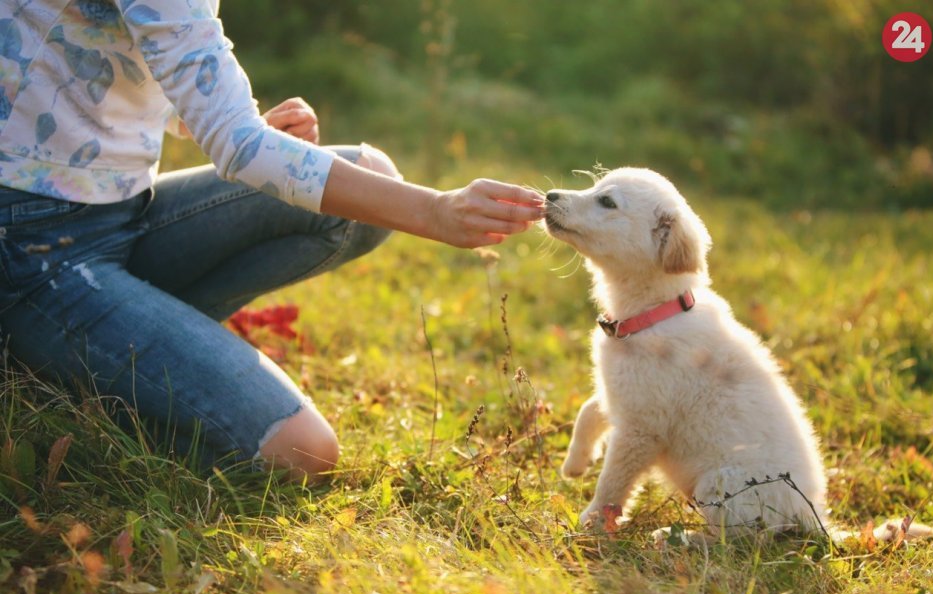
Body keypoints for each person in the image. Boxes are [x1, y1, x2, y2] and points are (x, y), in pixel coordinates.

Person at [0, 1, 543, 479]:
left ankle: (113, 347)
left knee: (367, 182)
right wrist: (435, 211)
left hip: (120, 214)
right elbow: (238, 148)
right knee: (302, 452)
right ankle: (52, 381)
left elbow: (139, 61)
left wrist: (245, 126)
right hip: (34, 247)